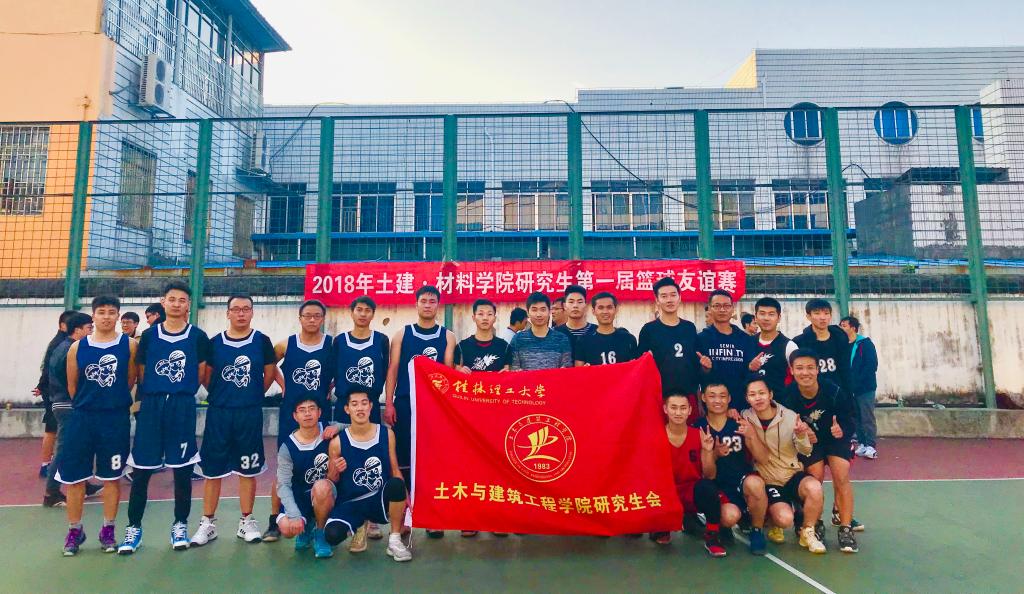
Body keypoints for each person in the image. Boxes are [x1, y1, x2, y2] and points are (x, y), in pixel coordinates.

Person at [120, 281, 211, 554]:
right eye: (172, 299)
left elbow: (201, 372)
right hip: (152, 405)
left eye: (182, 300)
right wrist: (155, 394)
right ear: (163, 302)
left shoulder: (198, 336)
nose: (177, 304)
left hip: (182, 406)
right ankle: (133, 528)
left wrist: (180, 392)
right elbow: (142, 371)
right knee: (142, 470)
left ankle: (180, 525)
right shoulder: (149, 336)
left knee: (182, 470)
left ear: (188, 305)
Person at [191, 294, 277, 547]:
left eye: (246, 309)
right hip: (219, 413)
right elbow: (207, 377)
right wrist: (223, 395)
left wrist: (250, 396)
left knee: (248, 470)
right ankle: (207, 523)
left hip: (249, 413)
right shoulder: (214, 343)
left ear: (252, 312)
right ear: (227, 313)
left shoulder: (262, 341)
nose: (241, 313)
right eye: (236, 309)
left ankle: (247, 520)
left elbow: (269, 374)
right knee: (212, 471)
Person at [56, 296, 137, 555]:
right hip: (83, 418)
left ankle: (108, 529)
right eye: (101, 312)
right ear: (93, 316)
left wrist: (111, 402)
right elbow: (73, 386)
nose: (106, 316)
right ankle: (74, 530)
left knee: (111, 477)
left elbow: (130, 380)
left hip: (114, 419)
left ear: (118, 316)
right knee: (75, 477)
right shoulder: (77, 348)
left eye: (111, 312)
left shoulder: (129, 345)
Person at [383, 286, 456, 539]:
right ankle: (404, 515)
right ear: (416, 304)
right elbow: (393, 369)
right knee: (404, 460)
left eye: (432, 301)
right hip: (405, 404)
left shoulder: (448, 336)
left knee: (432, 461)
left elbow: (449, 372)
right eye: (423, 301)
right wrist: (389, 402)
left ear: (438, 305)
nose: (427, 305)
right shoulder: (402, 334)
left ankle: (432, 517)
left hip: (434, 407)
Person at [263, 300, 334, 543]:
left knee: (320, 465)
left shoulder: (331, 344)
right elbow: (269, 365)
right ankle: (274, 520)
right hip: (292, 414)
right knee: (283, 467)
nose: (312, 319)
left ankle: (316, 519)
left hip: (319, 413)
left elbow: (341, 370)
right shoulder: (286, 344)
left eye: (317, 315)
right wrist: (283, 384)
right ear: (300, 318)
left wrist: (330, 387)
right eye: (308, 315)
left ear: (322, 318)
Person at [780, 350, 861, 553]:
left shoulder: (834, 391)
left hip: (834, 439)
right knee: (814, 477)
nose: (805, 372)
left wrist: (842, 429)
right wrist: (801, 433)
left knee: (841, 473)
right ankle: (815, 523)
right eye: (799, 368)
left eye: (810, 367)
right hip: (811, 443)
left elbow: (851, 419)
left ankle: (845, 527)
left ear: (818, 369)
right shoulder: (787, 396)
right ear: (792, 370)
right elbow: (786, 427)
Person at [323, 389, 413, 562]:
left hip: (378, 499)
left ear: (371, 406)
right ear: (347, 409)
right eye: (354, 404)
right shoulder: (337, 442)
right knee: (332, 535)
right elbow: (331, 481)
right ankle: (358, 526)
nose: (360, 408)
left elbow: (395, 469)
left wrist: (405, 497)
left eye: (364, 403)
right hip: (351, 502)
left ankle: (394, 539)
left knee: (397, 484)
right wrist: (335, 470)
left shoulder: (387, 434)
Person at [740, 378, 827, 554]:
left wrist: (801, 435)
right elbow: (761, 458)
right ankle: (770, 519)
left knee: (815, 487)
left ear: (770, 394)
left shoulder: (790, 416)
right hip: (768, 479)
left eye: (762, 393)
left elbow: (806, 450)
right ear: (747, 398)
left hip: (791, 473)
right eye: (752, 394)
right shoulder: (745, 417)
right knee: (785, 519)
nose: (758, 398)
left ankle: (808, 531)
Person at [332, 296, 390, 546]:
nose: (363, 314)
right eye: (359, 309)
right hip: (345, 406)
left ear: (373, 314)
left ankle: (373, 516)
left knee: (374, 458)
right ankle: (348, 513)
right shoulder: (339, 341)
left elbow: (386, 372)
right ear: (351, 312)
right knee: (345, 458)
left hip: (369, 405)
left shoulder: (381, 340)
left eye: (368, 310)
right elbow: (332, 372)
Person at [653, 393, 735, 557]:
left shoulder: (699, 435)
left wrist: (707, 450)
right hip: (666, 493)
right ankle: (663, 525)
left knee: (708, 487)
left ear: (690, 410)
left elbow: (710, 474)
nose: (678, 412)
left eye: (683, 408)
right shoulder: (655, 436)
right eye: (673, 408)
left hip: (691, 491)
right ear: (665, 409)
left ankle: (712, 536)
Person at [692, 383, 770, 556]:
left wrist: (752, 436)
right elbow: (708, 474)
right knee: (729, 516)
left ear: (729, 399)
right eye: (712, 396)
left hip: (741, 481)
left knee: (756, 483)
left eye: (722, 396)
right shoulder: (698, 427)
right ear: (703, 398)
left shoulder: (739, 423)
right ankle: (722, 525)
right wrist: (713, 454)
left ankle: (756, 531)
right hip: (717, 487)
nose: (717, 400)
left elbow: (763, 458)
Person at [43, 313, 99, 508]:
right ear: (78, 330)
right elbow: (71, 379)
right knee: (65, 449)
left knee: (79, 446)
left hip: (66, 403)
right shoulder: (69, 349)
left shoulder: (65, 347)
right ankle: (51, 493)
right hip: (68, 404)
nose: (92, 331)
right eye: (89, 328)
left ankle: (83, 483)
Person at [274, 397, 336, 559]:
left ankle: (321, 533)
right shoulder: (287, 447)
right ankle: (307, 525)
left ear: (319, 412)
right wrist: (295, 515)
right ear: (295, 416)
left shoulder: (329, 432)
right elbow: (283, 485)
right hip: (300, 496)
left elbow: (356, 427)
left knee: (321, 486)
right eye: (302, 410)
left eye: (311, 409)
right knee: (286, 528)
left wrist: (338, 427)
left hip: (326, 494)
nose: (307, 414)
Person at [637, 277, 700, 422]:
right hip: (660, 397)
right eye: (664, 296)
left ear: (679, 298)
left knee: (689, 433)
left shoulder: (689, 328)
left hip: (687, 396)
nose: (669, 300)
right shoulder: (648, 330)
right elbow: (640, 366)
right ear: (657, 300)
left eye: (673, 295)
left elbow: (695, 363)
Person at [34, 310, 78, 481]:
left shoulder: (62, 342)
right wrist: (42, 386)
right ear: (62, 325)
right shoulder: (61, 344)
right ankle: (47, 465)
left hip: (52, 391)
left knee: (56, 429)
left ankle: (50, 465)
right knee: (52, 429)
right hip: (55, 393)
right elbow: (48, 368)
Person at [696, 289, 756, 412]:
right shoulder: (701, 339)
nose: (722, 310)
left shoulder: (745, 339)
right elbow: (696, 376)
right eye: (717, 306)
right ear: (710, 309)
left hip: (741, 407)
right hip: (713, 407)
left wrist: (751, 368)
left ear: (732, 309)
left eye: (726, 306)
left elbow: (749, 375)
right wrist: (705, 369)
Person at [840, 315, 879, 460]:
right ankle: (862, 443)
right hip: (850, 390)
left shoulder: (865, 344)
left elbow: (871, 365)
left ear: (853, 328)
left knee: (867, 416)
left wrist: (859, 382)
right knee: (856, 417)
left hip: (865, 388)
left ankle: (871, 445)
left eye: (844, 325)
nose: (841, 328)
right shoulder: (843, 345)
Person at [793, 299, 851, 394]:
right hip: (812, 394)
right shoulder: (799, 342)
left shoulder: (840, 338)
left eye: (826, 313)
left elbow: (846, 369)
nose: (822, 317)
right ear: (808, 316)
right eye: (817, 313)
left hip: (839, 393)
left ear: (831, 316)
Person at [507, 292, 572, 371]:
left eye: (543, 309)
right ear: (528, 313)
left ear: (549, 312)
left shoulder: (561, 339)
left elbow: (566, 370)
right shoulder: (518, 339)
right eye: (534, 310)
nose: (538, 314)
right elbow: (514, 369)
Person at [750, 297, 798, 395]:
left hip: (780, 402)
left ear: (779, 317)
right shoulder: (747, 343)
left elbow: (797, 377)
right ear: (755, 317)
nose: (766, 318)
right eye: (762, 313)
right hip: (752, 402)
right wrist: (749, 367)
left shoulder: (789, 346)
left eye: (771, 314)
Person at [574, 292, 637, 366]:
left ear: (616, 309)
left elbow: (636, 368)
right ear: (593, 311)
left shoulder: (628, 339)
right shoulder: (583, 341)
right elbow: (578, 370)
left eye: (609, 307)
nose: (605, 312)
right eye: (600, 308)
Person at [456, 299, 510, 373]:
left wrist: (508, 373)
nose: (485, 318)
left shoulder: (505, 347)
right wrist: (459, 371)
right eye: (480, 314)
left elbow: (508, 370)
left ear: (494, 319)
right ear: (473, 318)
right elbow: (456, 371)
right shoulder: (461, 347)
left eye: (489, 314)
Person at [554, 285, 596, 358]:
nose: (575, 306)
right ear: (564, 306)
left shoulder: (596, 331)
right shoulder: (555, 333)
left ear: (585, 305)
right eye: (571, 302)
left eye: (580, 302)